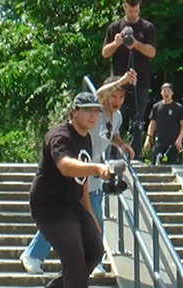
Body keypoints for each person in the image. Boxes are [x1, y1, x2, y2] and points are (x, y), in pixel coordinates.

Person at [20, 71, 136, 276]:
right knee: (61, 219)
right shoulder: (94, 111)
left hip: (94, 176)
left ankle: (95, 260)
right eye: (114, 96)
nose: (117, 101)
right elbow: (98, 94)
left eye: (121, 97)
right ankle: (33, 254)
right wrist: (122, 80)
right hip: (78, 171)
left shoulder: (116, 117)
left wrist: (122, 145)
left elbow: (111, 135)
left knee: (94, 219)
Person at [29, 92, 114, 288]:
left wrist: (91, 217)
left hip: (74, 204)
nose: (93, 116)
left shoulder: (86, 140)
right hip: (50, 206)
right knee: (74, 256)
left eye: (96, 111)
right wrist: (96, 167)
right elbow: (66, 166)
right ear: (74, 111)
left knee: (95, 251)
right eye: (87, 110)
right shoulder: (59, 135)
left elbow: (82, 183)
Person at [102, 0, 157, 155]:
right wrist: (116, 43)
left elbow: (152, 52)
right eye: (130, 11)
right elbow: (105, 53)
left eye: (136, 11)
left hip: (140, 82)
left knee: (137, 121)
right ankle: (113, 155)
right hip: (118, 83)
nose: (133, 14)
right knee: (114, 119)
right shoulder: (114, 27)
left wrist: (135, 44)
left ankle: (134, 156)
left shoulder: (147, 27)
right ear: (124, 7)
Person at [144, 83, 183, 164]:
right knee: (155, 164)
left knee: (172, 165)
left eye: (168, 91)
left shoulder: (178, 107)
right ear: (161, 93)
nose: (166, 93)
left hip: (173, 143)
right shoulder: (156, 107)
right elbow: (152, 124)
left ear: (172, 93)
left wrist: (179, 139)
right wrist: (148, 139)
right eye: (164, 91)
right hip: (159, 142)